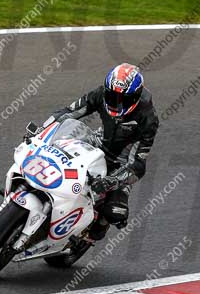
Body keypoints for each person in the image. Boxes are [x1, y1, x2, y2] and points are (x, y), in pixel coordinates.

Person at [43, 63, 159, 240]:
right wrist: (42, 129)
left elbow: (138, 164)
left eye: (123, 99)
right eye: (113, 96)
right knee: (56, 149)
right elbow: (69, 112)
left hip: (120, 165)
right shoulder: (101, 94)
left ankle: (90, 233)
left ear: (135, 98)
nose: (116, 102)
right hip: (96, 143)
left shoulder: (147, 118)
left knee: (115, 212)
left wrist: (111, 181)